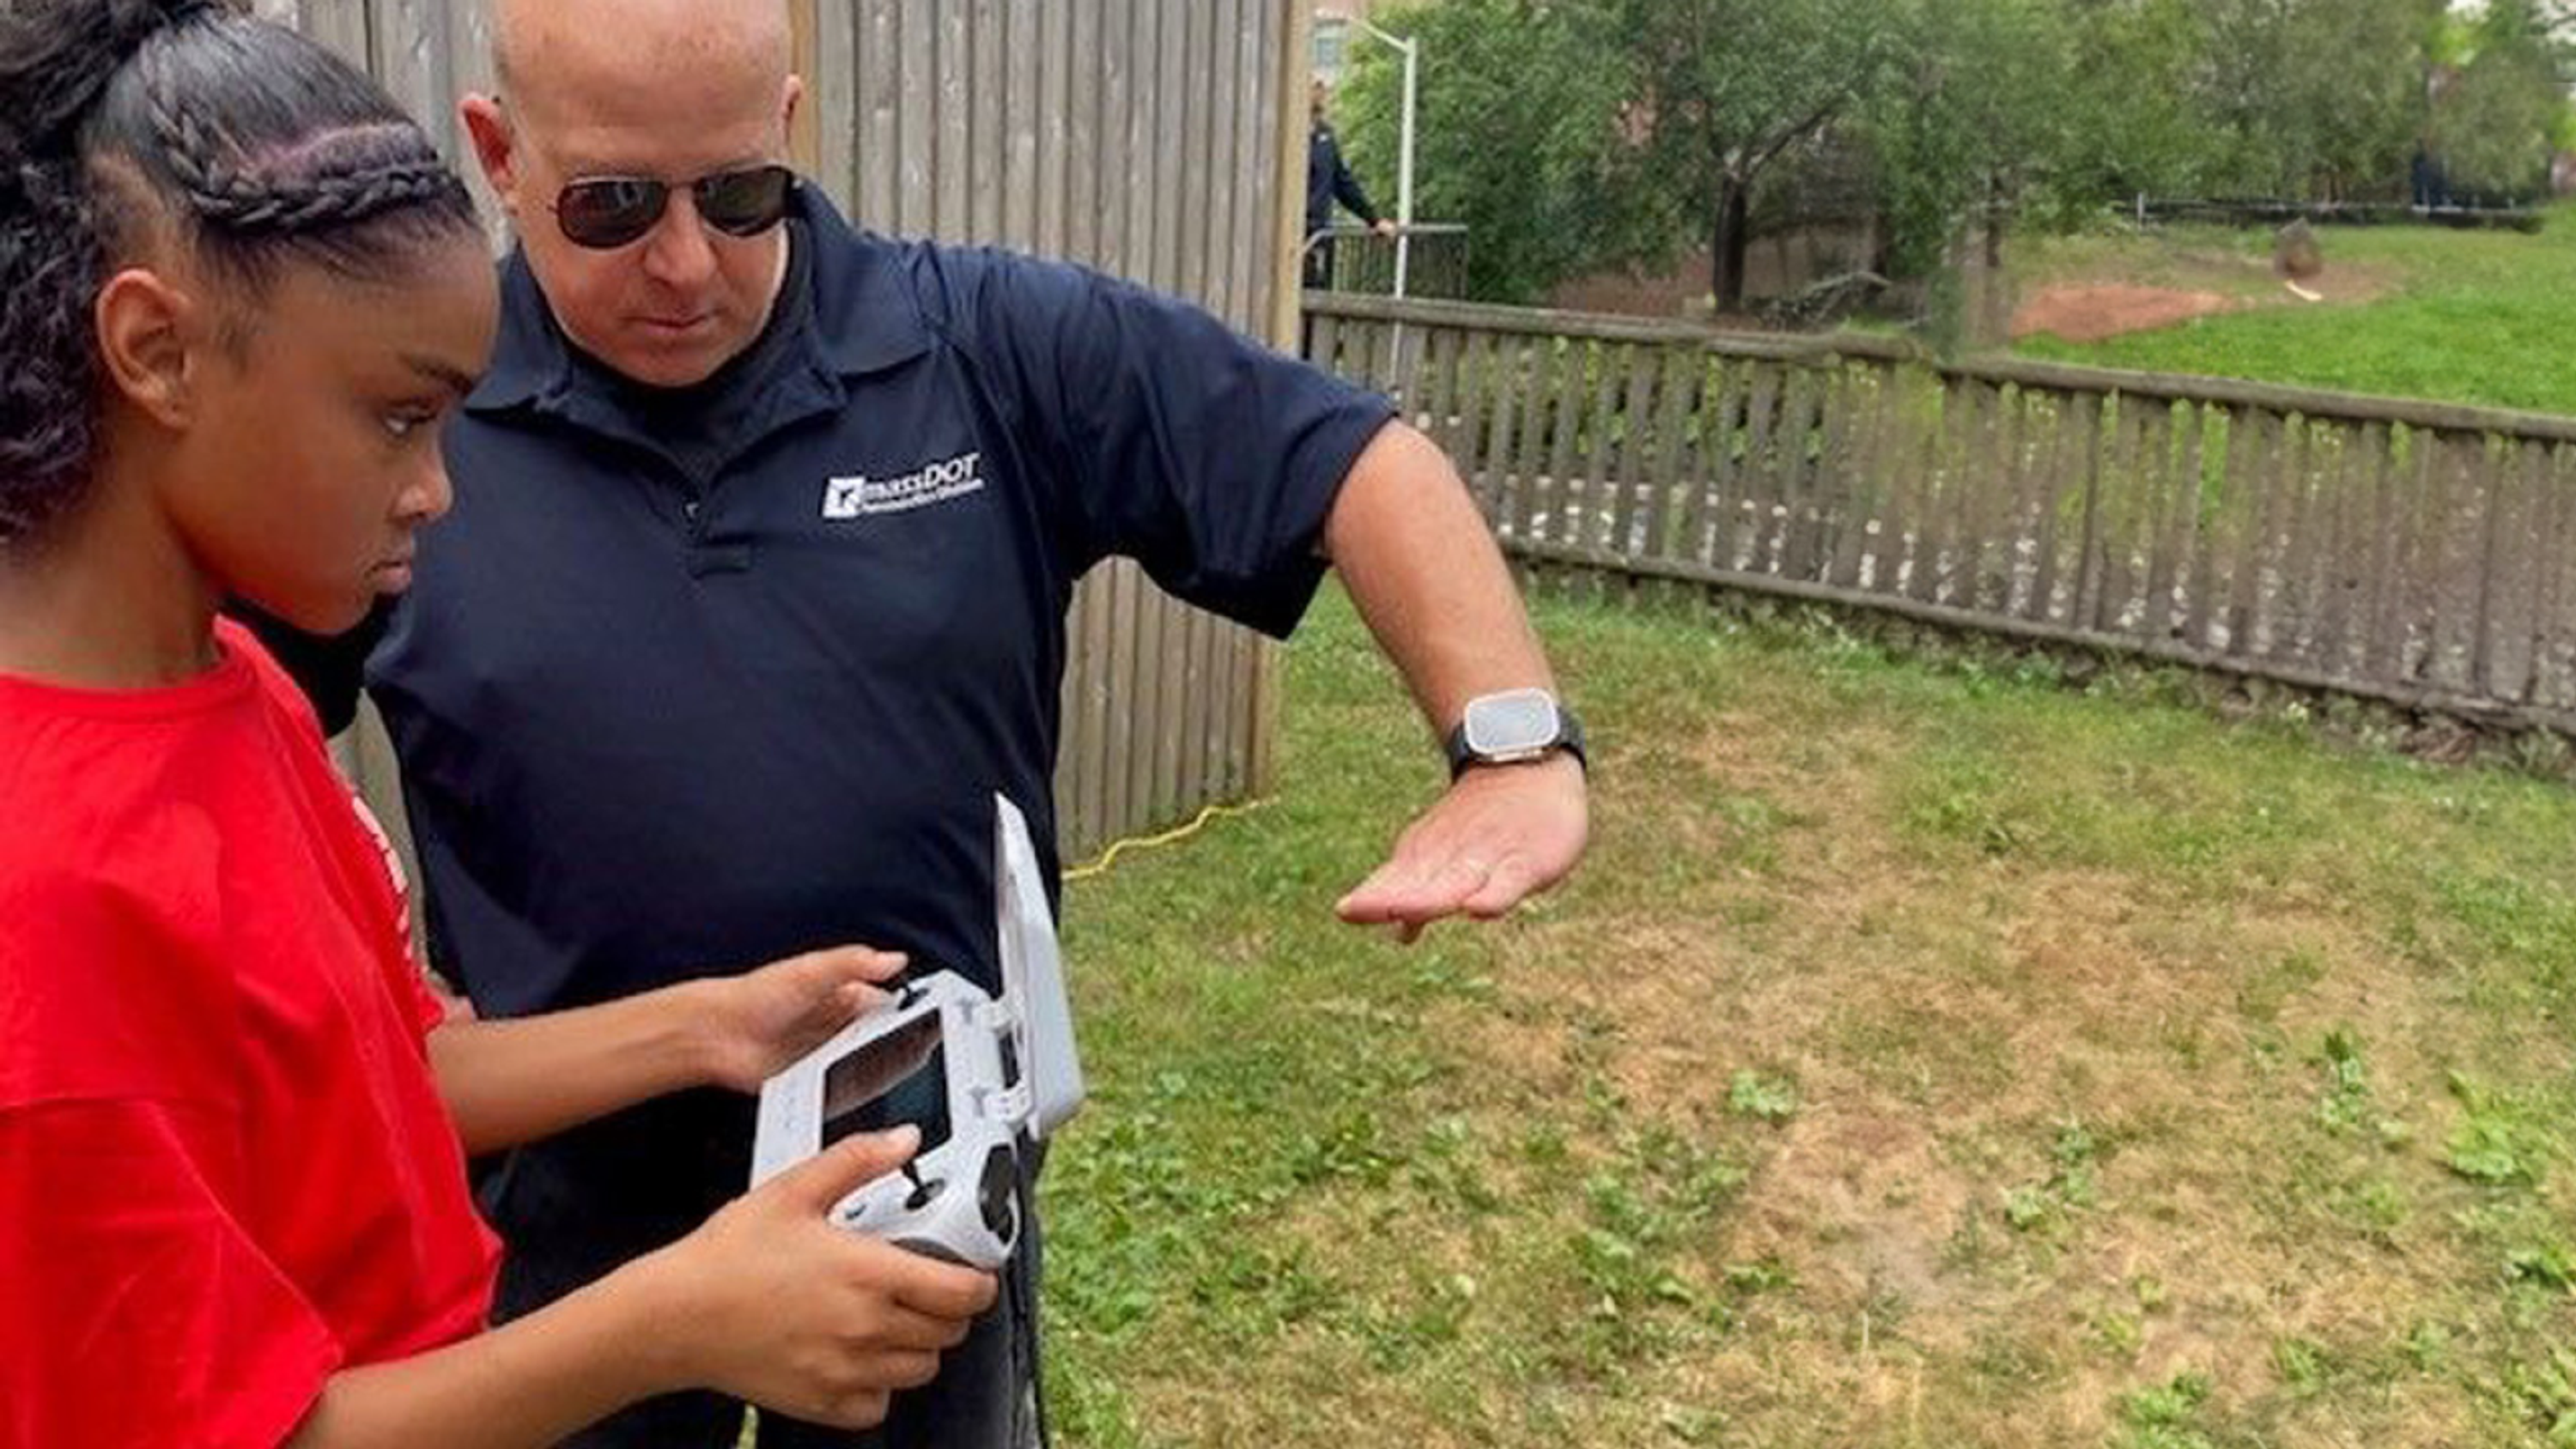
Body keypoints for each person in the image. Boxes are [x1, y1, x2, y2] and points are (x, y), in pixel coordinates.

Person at [258, 0, 1592, 1444]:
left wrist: (1509, 746)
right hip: (569, 1216)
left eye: (741, 193)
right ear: (499, 156)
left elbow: (1344, 454)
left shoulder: (980, 344)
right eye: (615, 204)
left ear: (788, 125)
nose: (686, 259)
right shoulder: (422, 420)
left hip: (918, 1185)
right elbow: (216, 708)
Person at [0, 3, 998, 1444]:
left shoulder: (232, 685)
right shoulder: (45, 907)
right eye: (399, 418)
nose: (437, 490)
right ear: (156, 351)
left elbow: (371, 1078)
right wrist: (677, 1317)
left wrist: (708, 1027)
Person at [1303, 77, 1398, 289]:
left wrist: (1374, 220)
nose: (1320, 86)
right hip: (1292, 242)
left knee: (1318, 305)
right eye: (1312, 82)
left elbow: (1342, 183)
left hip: (1319, 238)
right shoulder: (1284, 133)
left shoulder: (1325, 134)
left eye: (1320, 84)